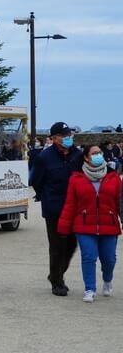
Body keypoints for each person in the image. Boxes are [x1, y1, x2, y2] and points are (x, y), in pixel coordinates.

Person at [57, 144, 122, 303]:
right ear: (86, 157)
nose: (98, 155)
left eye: (99, 152)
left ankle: (107, 280)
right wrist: (63, 227)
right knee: (89, 256)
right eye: (94, 153)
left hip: (109, 225)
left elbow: (120, 202)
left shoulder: (113, 177)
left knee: (109, 259)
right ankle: (90, 289)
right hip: (84, 225)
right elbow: (70, 204)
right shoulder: (76, 178)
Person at [30, 121, 82, 296]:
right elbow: (36, 180)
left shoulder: (77, 154)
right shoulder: (44, 157)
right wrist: (46, 196)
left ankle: (55, 274)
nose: (67, 138)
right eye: (63, 135)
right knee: (57, 245)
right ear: (53, 138)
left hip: (75, 207)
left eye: (69, 135)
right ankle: (57, 282)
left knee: (72, 244)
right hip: (55, 207)